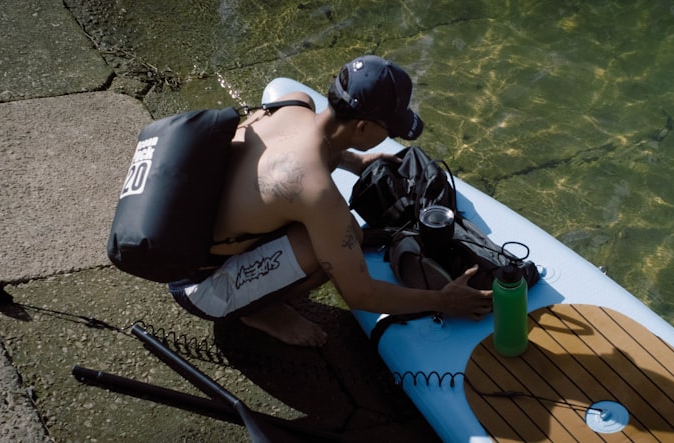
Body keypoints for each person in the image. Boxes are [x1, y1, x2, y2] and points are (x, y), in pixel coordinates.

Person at [169, 55, 493, 347]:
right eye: (389, 129)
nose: (389, 137)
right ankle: (258, 310)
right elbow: (360, 292)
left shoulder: (293, 104)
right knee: (343, 239)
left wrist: (357, 162)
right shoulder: (315, 190)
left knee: (338, 234)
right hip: (202, 288)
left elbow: (307, 148)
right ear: (364, 126)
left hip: (184, 243)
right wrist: (442, 301)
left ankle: (259, 293)